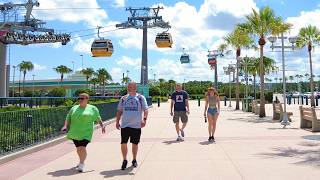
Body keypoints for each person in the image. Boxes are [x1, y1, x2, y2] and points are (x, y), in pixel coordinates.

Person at [61, 93, 106, 172]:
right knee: (78, 149)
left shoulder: (93, 108)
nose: (80, 100)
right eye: (79, 98)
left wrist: (102, 126)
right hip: (75, 132)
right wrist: (65, 126)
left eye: (82, 98)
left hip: (86, 132)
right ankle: (81, 160)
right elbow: (68, 117)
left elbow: (98, 117)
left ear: (87, 99)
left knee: (82, 147)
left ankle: (82, 164)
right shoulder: (74, 108)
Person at [116, 82, 148, 170]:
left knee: (135, 144)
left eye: (131, 87)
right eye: (128, 87)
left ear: (135, 88)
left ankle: (134, 159)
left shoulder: (141, 98)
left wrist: (144, 119)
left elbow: (145, 109)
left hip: (136, 125)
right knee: (123, 143)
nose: (129, 88)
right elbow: (119, 111)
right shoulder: (123, 98)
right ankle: (124, 160)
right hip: (125, 125)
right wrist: (117, 121)